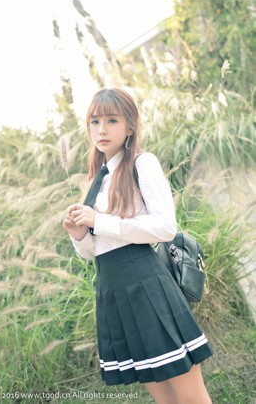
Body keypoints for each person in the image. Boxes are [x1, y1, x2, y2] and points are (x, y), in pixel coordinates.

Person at [63, 88, 213, 404]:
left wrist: (99, 220)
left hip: (146, 284)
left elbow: (164, 227)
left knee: (190, 397)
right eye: (94, 122)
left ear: (129, 126)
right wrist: (80, 234)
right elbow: (95, 252)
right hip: (113, 291)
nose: (101, 130)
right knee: (164, 397)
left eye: (111, 120)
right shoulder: (96, 179)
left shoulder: (142, 163)